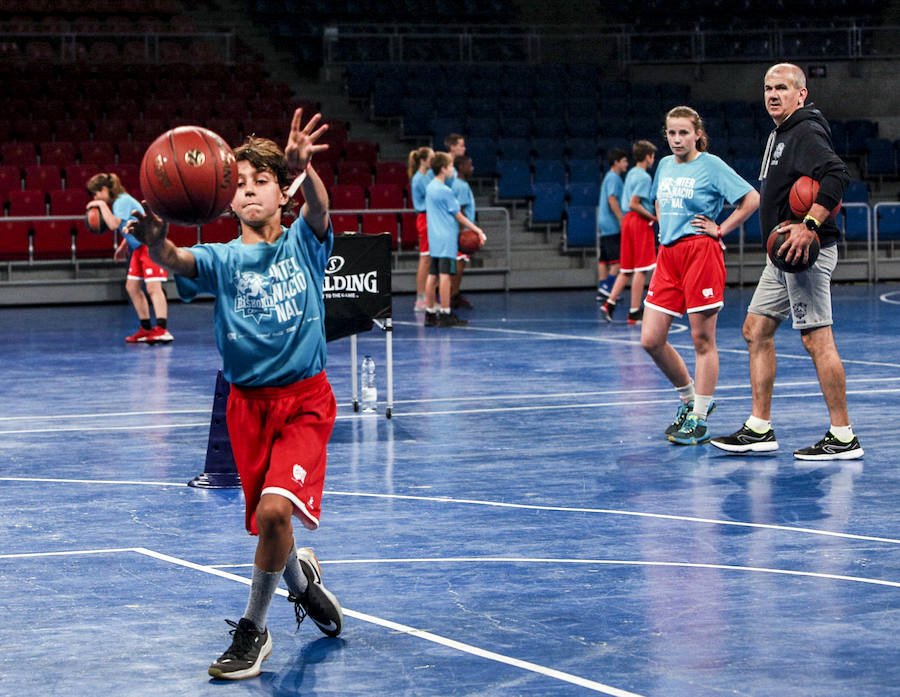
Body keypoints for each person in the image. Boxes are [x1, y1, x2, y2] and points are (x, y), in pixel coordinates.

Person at [126, 109, 345, 680]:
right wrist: (160, 244)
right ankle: (301, 581)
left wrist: (308, 170)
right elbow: (179, 260)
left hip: (304, 402)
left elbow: (320, 211)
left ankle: (254, 630)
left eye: (262, 181)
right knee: (273, 523)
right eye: (239, 183)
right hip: (247, 408)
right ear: (225, 198)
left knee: (275, 509)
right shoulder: (224, 259)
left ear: (282, 193)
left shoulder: (303, 242)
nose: (249, 191)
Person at [711, 63, 863, 460]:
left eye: (781, 87)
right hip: (780, 258)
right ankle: (760, 428)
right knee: (755, 330)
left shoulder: (805, 131)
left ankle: (843, 435)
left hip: (803, 257)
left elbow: (836, 175)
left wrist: (809, 224)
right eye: (767, 88)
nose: (773, 94)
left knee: (816, 339)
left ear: (801, 93)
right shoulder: (782, 132)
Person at [641, 106, 759, 445]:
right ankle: (689, 399)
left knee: (702, 340)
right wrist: (664, 226)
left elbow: (751, 198)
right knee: (650, 339)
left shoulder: (711, 166)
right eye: (672, 133)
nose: (677, 139)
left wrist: (720, 229)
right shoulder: (663, 165)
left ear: (697, 134)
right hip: (668, 256)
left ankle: (700, 416)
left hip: (700, 253)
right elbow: (658, 202)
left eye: (683, 133)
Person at [86, 173, 173, 344]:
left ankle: (162, 329)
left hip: (151, 244)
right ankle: (146, 328)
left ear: (104, 189)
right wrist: (123, 246)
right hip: (138, 247)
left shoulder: (122, 201)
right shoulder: (121, 202)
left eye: (96, 194)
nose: (95, 198)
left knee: (153, 288)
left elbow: (114, 224)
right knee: (132, 287)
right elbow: (131, 224)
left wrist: (101, 205)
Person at [423, 152, 485, 328]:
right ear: (443, 169)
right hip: (447, 238)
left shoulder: (430, 187)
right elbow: (459, 216)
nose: (452, 170)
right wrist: (477, 230)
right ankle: (445, 313)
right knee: (445, 277)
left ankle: (429, 313)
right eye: (450, 166)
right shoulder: (445, 191)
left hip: (434, 237)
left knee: (432, 275)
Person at [601, 140, 658, 325]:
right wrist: (653, 217)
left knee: (626, 269)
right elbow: (634, 203)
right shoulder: (643, 177)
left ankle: (609, 303)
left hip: (627, 222)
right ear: (648, 157)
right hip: (638, 221)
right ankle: (634, 312)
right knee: (641, 270)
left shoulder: (631, 173)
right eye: (652, 156)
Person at [596, 149, 628, 300]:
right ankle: (608, 288)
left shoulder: (608, 177)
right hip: (611, 223)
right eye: (624, 161)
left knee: (604, 259)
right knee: (618, 261)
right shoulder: (614, 178)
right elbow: (612, 199)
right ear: (617, 162)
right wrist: (621, 219)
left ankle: (603, 288)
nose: (626, 164)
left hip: (603, 223)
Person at [409, 146, 434, 313]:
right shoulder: (419, 179)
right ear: (423, 160)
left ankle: (429, 296)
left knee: (430, 258)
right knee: (425, 259)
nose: (434, 161)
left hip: (432, 218)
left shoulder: (427, 176)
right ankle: (420, 298)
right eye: (431, 158)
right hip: (425, 218)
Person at [450, 154, 476, 308]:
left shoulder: (460, 184)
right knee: (459, 263)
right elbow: (460, 211)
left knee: (460, 263)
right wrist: (462, 234)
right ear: (461, 167)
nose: (472, 168)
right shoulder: (461, 185)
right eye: (469, 165)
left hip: (462, 230)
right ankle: (453, 294)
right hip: (462, 231)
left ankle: (454, 293)